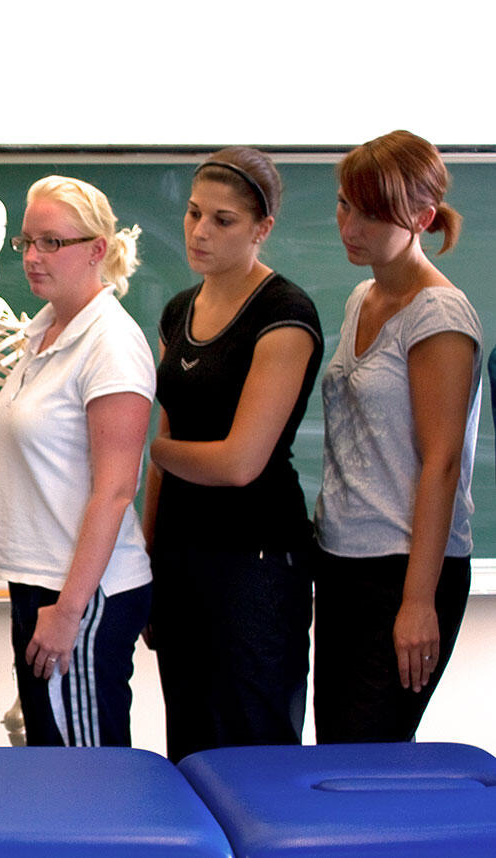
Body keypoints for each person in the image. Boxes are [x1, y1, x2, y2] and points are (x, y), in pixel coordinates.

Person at [143, 148, 322, 762]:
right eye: (194, 213)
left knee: (255, 752)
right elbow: (163, 454)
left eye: (223, 220)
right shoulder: (177, 311)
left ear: (261, 229)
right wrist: (146, 551)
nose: (199, 231)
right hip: (180, 556)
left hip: (256, 563)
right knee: (189, 748)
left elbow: (240, 462)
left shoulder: (285, 313)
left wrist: (160, 451)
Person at [314, 130, 482, 743]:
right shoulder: (364, 295)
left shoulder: (438, 315)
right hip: (342, 560)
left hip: (404, 569)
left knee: (371, 760)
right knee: (335, 749)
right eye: (344, 204)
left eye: (371, 212)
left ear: (421, 217)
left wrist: (418, 601)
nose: (350, 225)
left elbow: (441, 465)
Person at [0, 175, 155, 747]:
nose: (33, 257)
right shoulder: (42, 332)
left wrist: (69, 610)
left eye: (52, 242)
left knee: (87, 772)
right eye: (27, 242)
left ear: (97, 250)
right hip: (39, 582)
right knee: (52, 763)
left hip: (83, 592)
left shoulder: (109, 342)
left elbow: (115, 490)